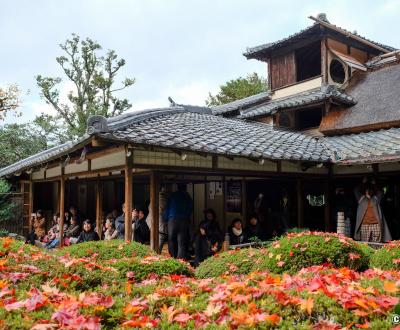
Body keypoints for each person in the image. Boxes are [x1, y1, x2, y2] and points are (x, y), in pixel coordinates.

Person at [354, 178, 392, 243]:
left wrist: (374, 184)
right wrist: (363, 183)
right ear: (365, 191)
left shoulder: (375, 198)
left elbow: (381, 192)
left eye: (370, 190)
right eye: (367, 190)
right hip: (365, 224)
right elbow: (356, 190)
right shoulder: (361, 198)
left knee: (377, 244)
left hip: (376, 224)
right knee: (365, 244)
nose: (369, 191)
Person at [164, 183, 193, 259]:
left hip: (172, 220)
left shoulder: (172, 195)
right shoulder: (187, 196)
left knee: (171, 239)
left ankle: (172, 258)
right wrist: (187, 217)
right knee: (182, 242)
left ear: (177, 187)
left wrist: (165, 219)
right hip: (183, 220)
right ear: (185, 188)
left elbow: (167, 208)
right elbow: (190, 208)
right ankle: (180, 260)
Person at [145, 187, 170, 252]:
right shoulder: (164, 200)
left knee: (153, 245)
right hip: (159, 225)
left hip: (151, 223)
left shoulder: (153, 199)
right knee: (157, 248)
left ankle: (153, 256)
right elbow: (166, 214)